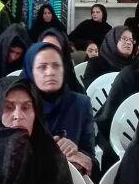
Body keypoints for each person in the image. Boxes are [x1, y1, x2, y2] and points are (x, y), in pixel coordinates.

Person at [22, 42, 95, 177]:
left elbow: (91, 159)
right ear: (30, 71)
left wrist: (78, 155)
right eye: (42, 67)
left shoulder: (81, 104)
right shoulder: (20, 106)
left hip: (69, 180)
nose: (50, 72)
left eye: (56, 66)